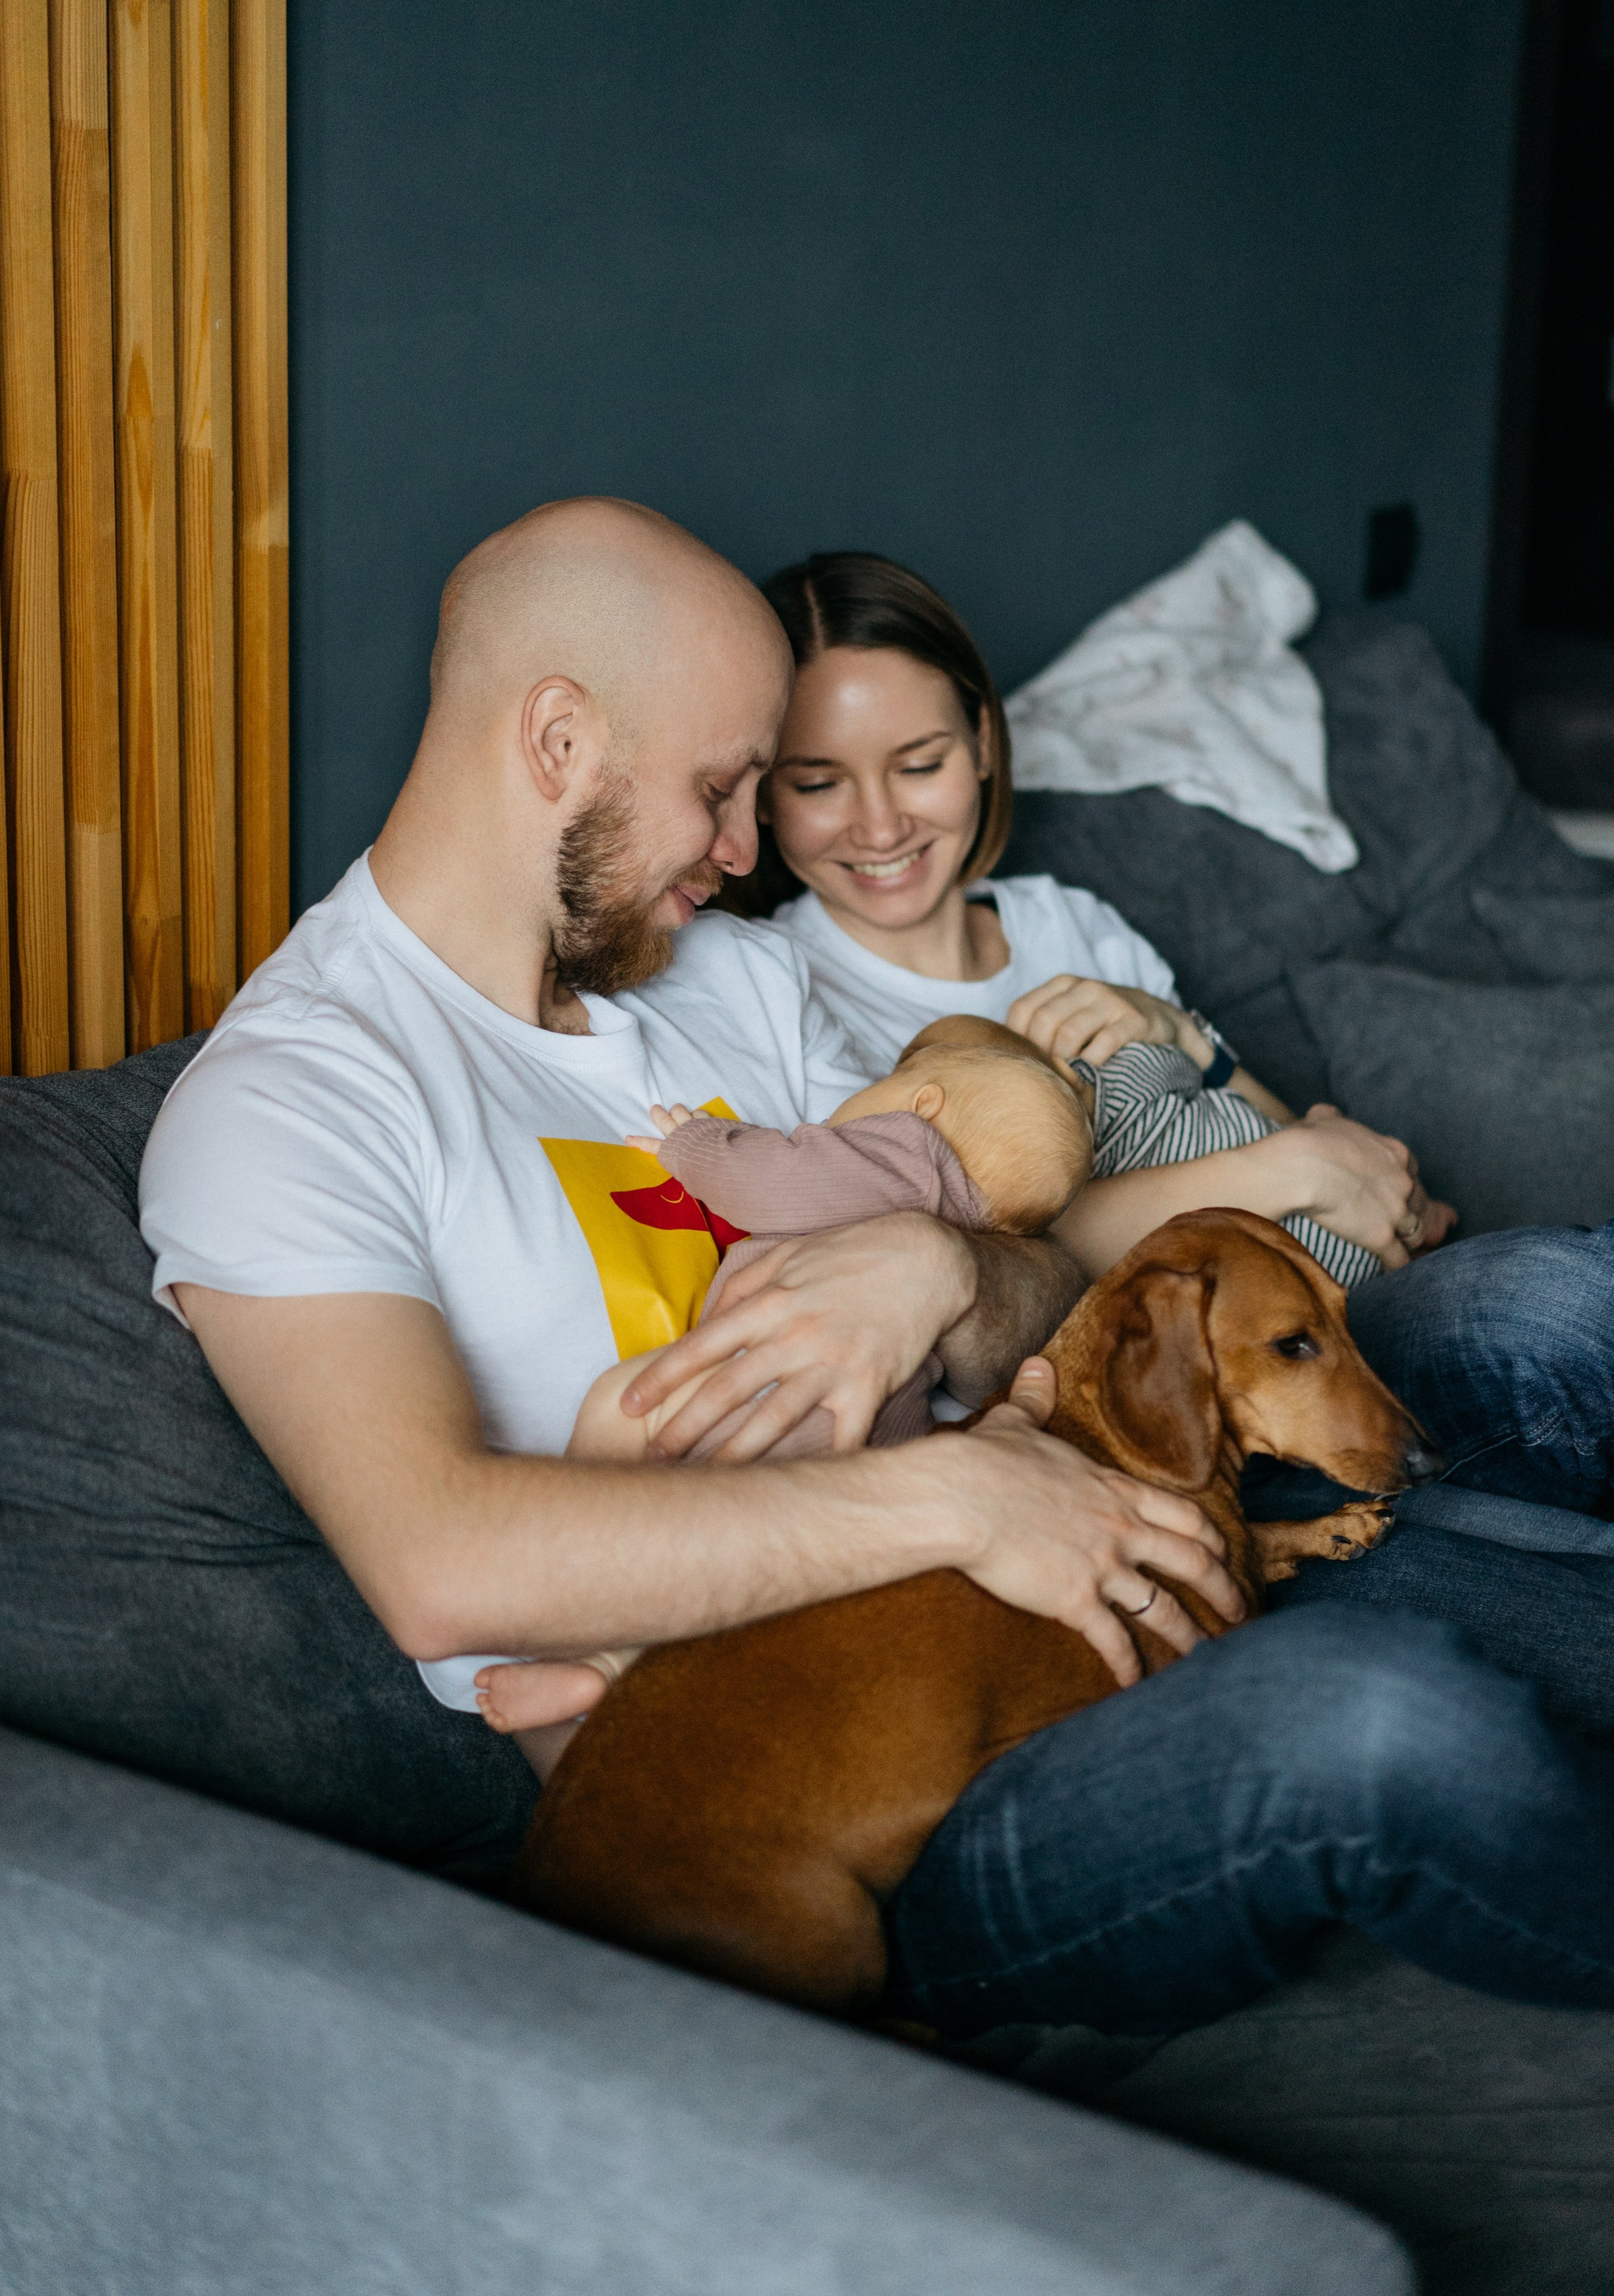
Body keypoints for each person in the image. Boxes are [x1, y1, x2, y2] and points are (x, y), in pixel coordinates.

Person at [139, 497, 1614, 2039]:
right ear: (559, 743)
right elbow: (440, 1564)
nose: (739, 847)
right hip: (838, 1792)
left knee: (1525, 1308)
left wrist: (934, 1268)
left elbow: (1039, 1283)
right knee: (1385, 1726)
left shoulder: (724, 981)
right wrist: (959, 1494)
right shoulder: (293, 1100)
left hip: (1085, 1557)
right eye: (721, 788)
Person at [741, 547, 1614, 1532]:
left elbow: (1270, 1131)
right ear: (763, 791)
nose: (880, 824)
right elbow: (979, 1269)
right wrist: (1284, 1173)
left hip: (1325, 1311)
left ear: (984, 742)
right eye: (818, 782)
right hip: (1149, 1412)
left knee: (1585, 1289)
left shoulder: (1065, 918)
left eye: (920, 764)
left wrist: (1189, 1042)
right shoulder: (776, 987)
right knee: (1556, 1307)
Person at [473, 1015, 1099, 1733]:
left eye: (882, 1084)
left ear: (923, 1103)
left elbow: (780, 1182)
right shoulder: (971, 1218)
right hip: (885, 1433)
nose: (841, 1110)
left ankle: (584, 1632)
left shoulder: (905, 1151)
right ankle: (614, 1669)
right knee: (749, 1577)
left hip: (782, 1388)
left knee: (624, 1406)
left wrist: (694, 1146)